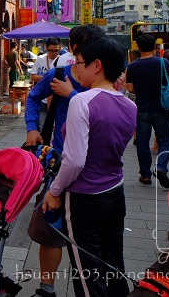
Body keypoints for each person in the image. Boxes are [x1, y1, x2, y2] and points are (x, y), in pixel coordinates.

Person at [42, 36, 137, 297]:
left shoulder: (81, 101)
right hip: (115, 191)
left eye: (79, 63)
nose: (76, 69)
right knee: (113, 262)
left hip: (84, 197)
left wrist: (54, 190)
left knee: (87, 271)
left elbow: (74, 160)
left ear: (97, 65)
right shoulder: (130, 105)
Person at [23, 24, 103, 297]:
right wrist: (32, 128)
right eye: (83, 48)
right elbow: (33, 98)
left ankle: (92, 288)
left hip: (94, 172)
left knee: (89, 240)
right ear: (74, 49)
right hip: (59, 164)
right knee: (50, 232)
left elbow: (106, 115)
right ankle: (47, 288)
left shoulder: (107, 80)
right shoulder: (59, 74)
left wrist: (72, 95)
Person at [125, 33, 169, 189]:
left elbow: (130, 89)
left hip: (141, 109)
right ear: (155, 46)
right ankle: (161, 167)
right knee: (165, 141)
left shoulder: (132, 66)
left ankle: (145, 175)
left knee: (142, 142)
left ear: (138, 47)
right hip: (161, 108)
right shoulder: (163, 62)